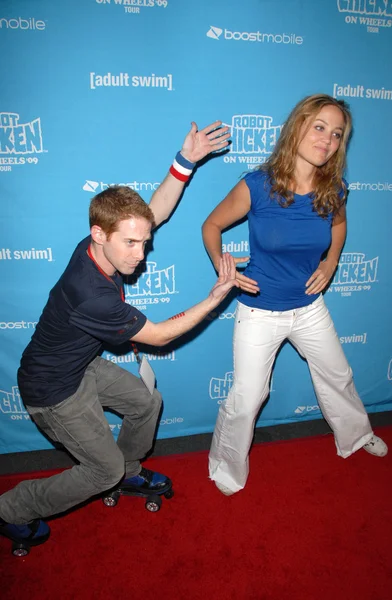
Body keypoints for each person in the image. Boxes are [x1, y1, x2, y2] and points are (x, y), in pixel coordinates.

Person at [0, 120, 237, 549]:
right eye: (130, 244)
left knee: (147, 402)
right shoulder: (90, 292)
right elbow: (161, 336)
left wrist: (185, 161)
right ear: (100, 236)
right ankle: (11, 509)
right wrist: (216, 296)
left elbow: (154, 212)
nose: (140, 255)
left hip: (80, 366)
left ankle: (129, 471)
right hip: (53, 391)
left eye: (143, 243)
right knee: (100, 472)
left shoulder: (101, 240)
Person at [202, 94, 388, 496]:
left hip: (309, 308)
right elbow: (211, 225)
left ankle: (356, 436)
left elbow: (338, 229)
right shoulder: (257, 185)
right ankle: (225, 468)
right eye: (319, 127)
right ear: (298, 127)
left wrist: (331, 262)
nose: (327, 139)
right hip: (259, 311)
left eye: (336, 134)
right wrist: (224, 267)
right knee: (249, 396)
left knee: (338, 376)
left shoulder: (334, 188)